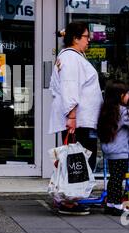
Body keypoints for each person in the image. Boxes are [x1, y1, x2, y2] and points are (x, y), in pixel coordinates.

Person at [49, 21, 103, 215]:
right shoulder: (71, 58)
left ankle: (71, 199)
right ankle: (70, 201)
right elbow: (70, 87)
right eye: (86, 37)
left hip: (82, 119)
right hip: (79, 120)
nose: (89, 40)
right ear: (75, 38)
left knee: (78, 159)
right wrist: (71, 115)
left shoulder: (73, 57)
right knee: (79, 160)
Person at [97, 80, 129, 216]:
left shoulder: (107, 110)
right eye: (127, 94)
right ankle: (117, 205)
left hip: (109, 150)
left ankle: (110, 204)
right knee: (118, 178)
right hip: (121, 151)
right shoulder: (123, 111)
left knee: (113, 178)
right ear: (121, 96)